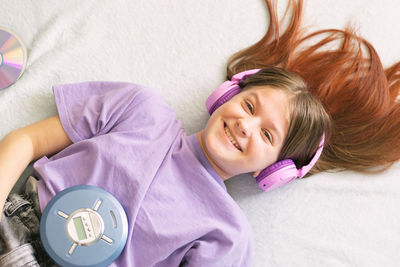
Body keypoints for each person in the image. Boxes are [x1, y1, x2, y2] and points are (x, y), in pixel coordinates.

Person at [0, 0, 399, 266]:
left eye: (266, 135)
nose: (246, 124)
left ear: (275, 171)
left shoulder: (226, 233)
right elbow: (27, 141)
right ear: (227, 93)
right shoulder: (142, 108)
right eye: (248, 106)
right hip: (18, 222)